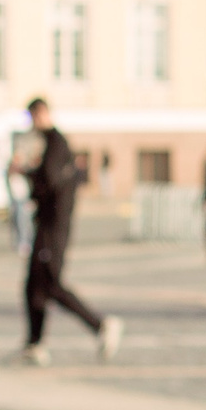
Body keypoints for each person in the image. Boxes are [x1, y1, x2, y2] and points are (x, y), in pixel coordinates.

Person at [16, 97, 123, 366]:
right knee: (33, 285)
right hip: (48, 224)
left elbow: (49, 181)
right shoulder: (53, 144)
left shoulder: (55, 143)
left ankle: (101, 325)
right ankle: (35, 343)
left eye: (32, 118)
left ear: (41, 114)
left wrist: (26, 171)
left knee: (51, 284)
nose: (32, 124)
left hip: (54, 226)